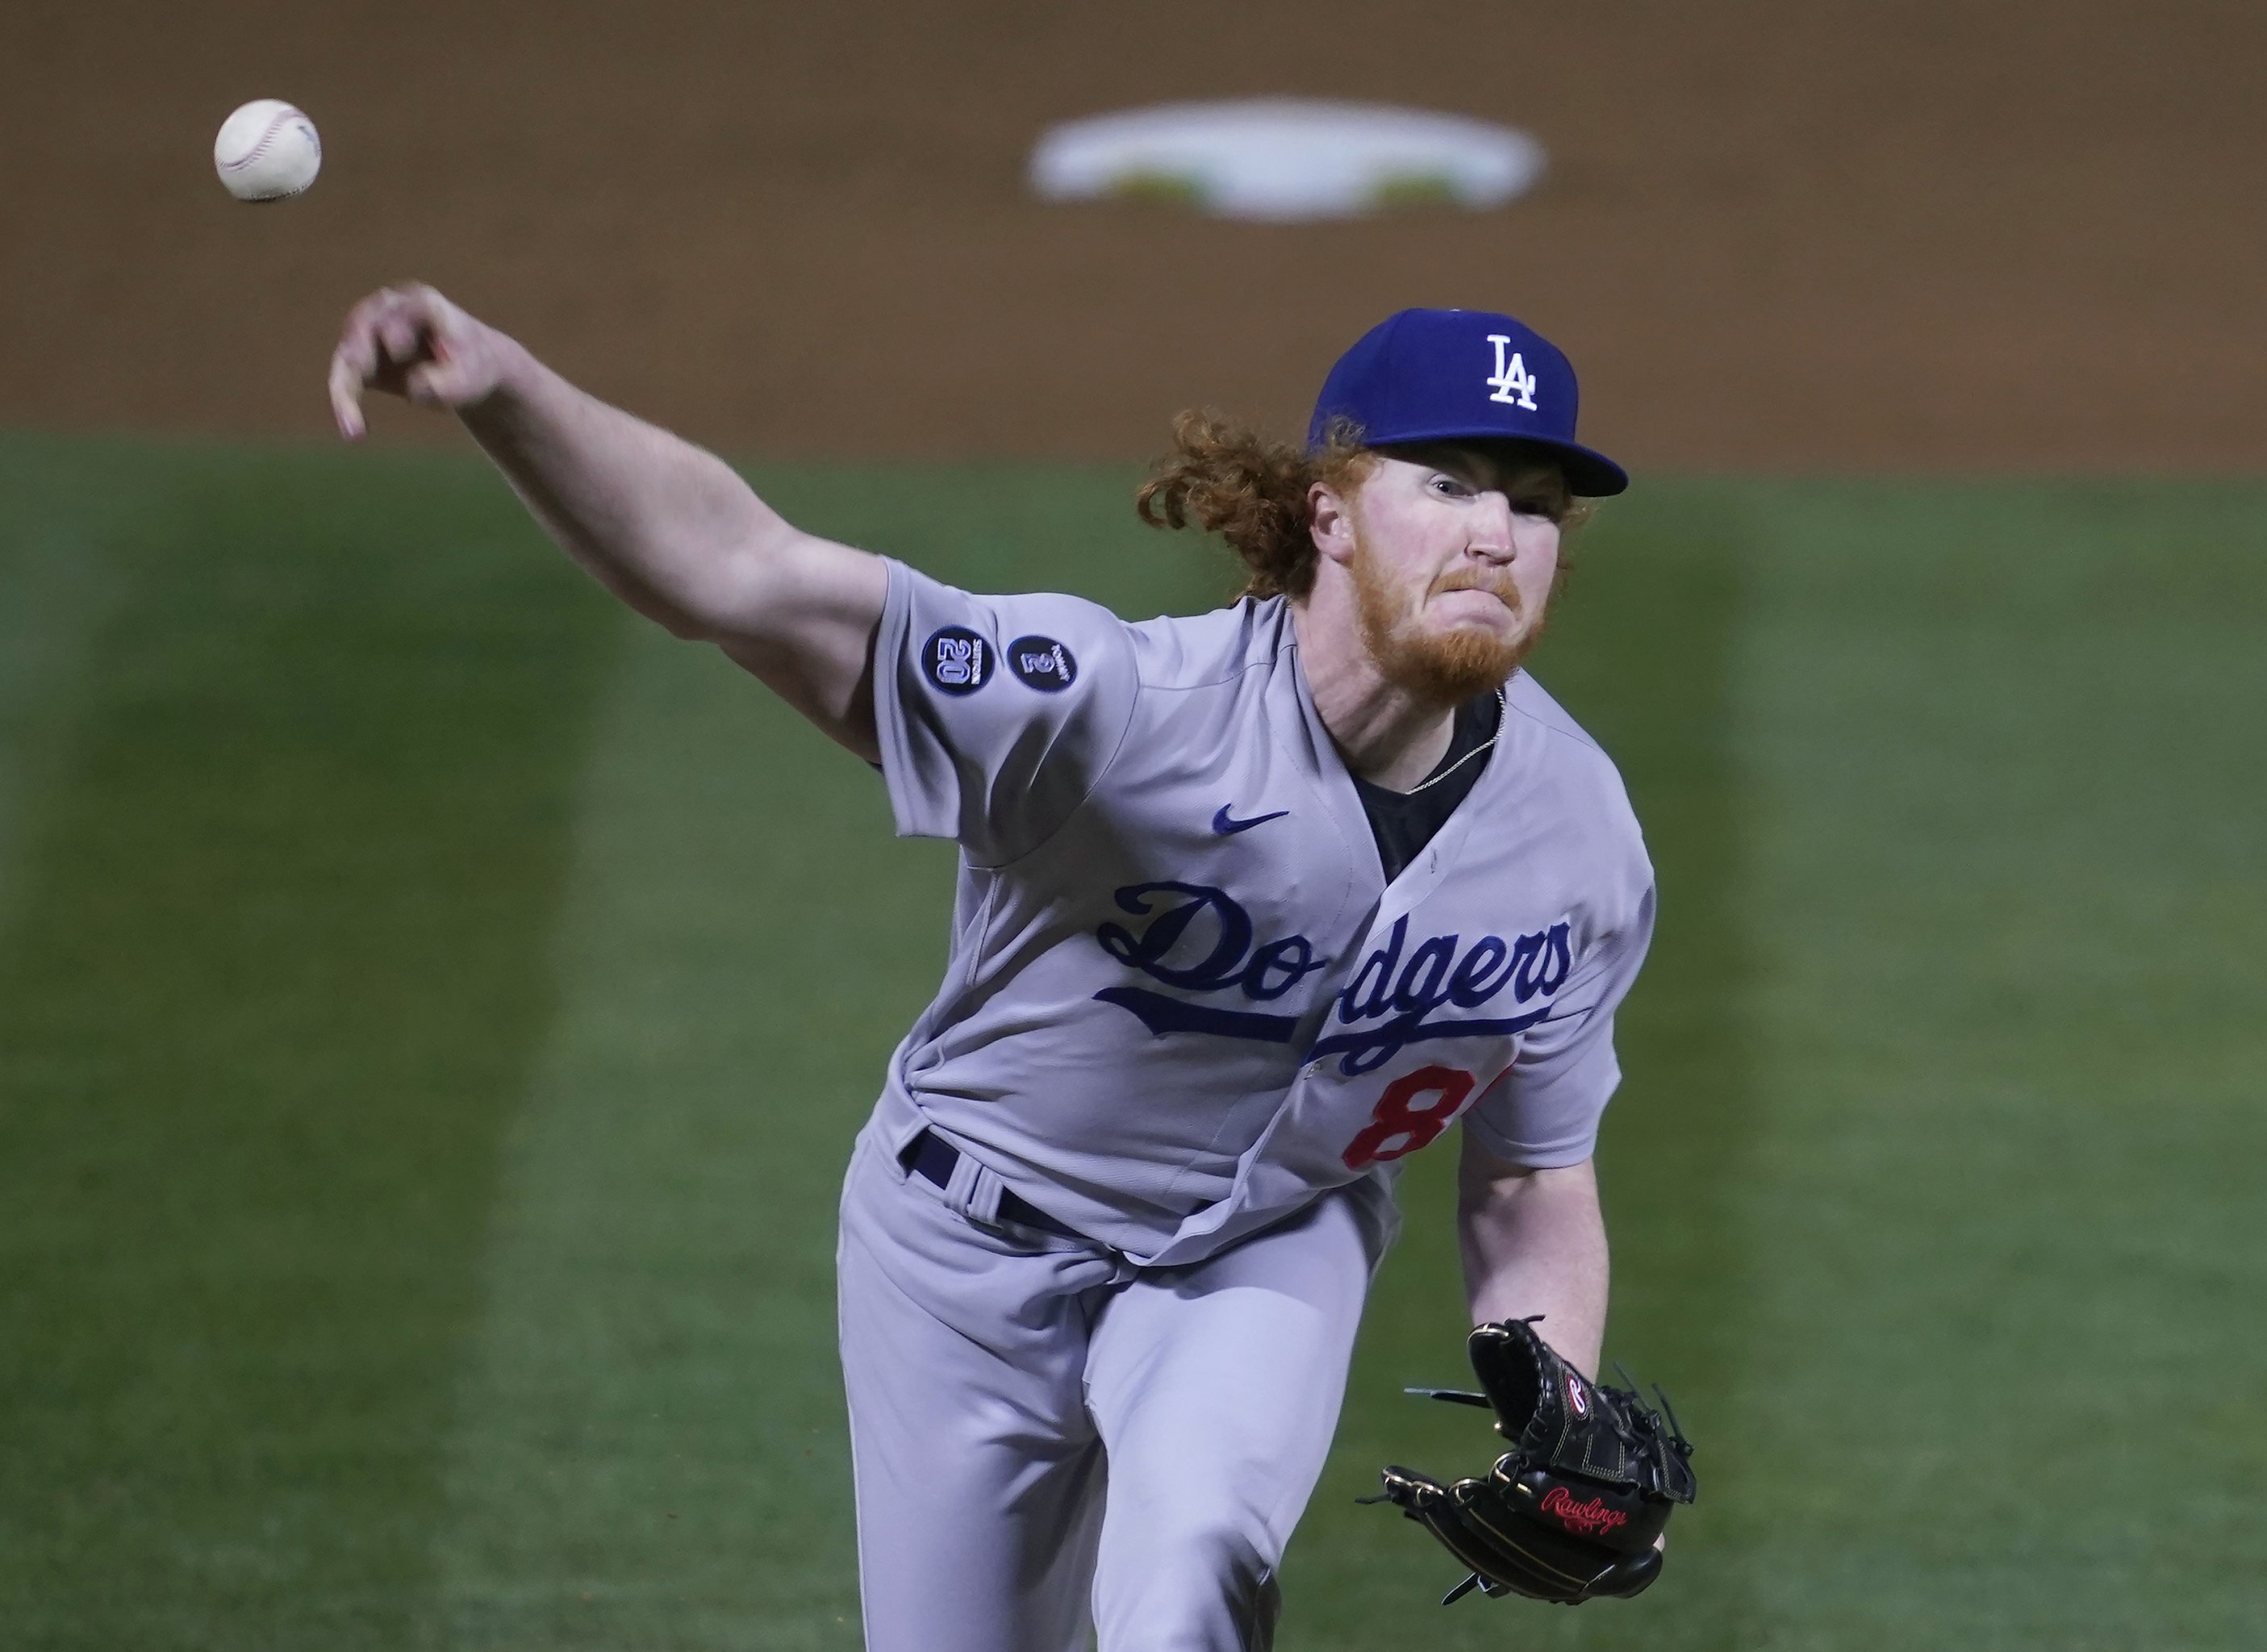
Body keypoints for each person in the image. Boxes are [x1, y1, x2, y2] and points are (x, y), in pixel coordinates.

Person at [328, 293, 1655, 1650]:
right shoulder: (1116, 710)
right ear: (1331, 516)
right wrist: (502, 387)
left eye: (1536, 503)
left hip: (1265, 1248)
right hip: (963, 1249)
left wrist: (1557, 1404)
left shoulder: (1580, 841)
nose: (1497, 534)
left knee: (1197, 1557)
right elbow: (741, 573)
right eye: (1448, 484)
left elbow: (1530, 1171)